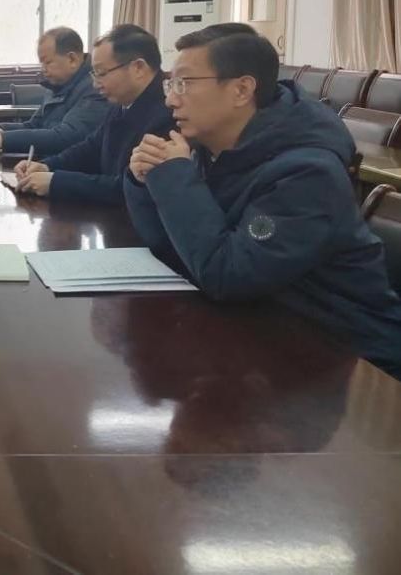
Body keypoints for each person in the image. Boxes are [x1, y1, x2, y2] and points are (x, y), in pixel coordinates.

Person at [125, 25, 401, 376]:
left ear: (241, 90)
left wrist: (175, 177)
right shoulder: (211, 147)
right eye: (171, 84)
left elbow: (229, 275)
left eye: (185, 84)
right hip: (266, 336)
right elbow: (172, 248)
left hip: (352, 363)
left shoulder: (307, 175)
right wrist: (144, 180)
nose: (170, 100)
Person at [12, 24, 173, 204]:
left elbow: (127, 189)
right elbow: (91, 148)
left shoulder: (167, 115)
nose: (95, 84)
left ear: (138, 68)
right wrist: (47, 165)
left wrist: (55, 182)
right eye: (94, 74)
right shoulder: (121, 103)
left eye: (101, 73)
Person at [0, 27, 111, 156]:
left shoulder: (96, 88)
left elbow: (67, 136)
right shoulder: (57, 85)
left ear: (72, 59)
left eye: (47, 62)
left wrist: (4, 140)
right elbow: (35, 125)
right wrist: (1, 130)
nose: (43, 69)